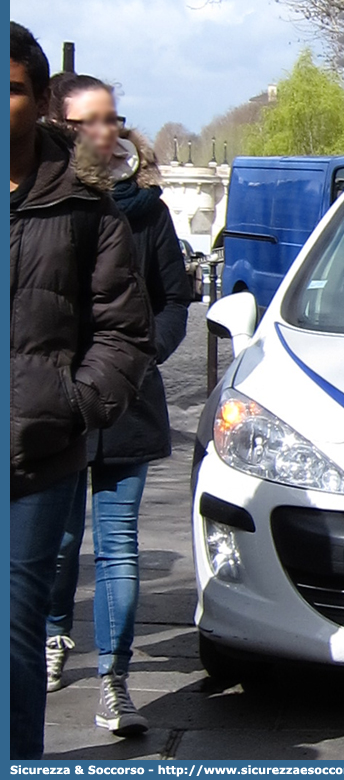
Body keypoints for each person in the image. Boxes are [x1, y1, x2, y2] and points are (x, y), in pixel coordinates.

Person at [10, 22, 153, 760]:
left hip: (45, 442)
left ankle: (107, 681)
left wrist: (75, 402)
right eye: (89, 119)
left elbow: (135, 323)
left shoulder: (99, 207)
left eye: (10, 89)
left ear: (34, 102)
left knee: (20, 625)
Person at [44, 73, 192, 736]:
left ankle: (114, 679)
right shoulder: (40, 206)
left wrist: (136, 361)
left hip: (126, 401)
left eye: (112, 120)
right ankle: (50, 636)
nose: (106, 133)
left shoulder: (147, 212)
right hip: (52, 404)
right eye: (89, 122)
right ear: (58, 128)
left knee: (118, 547)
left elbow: (174, 301)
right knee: (55, 542)